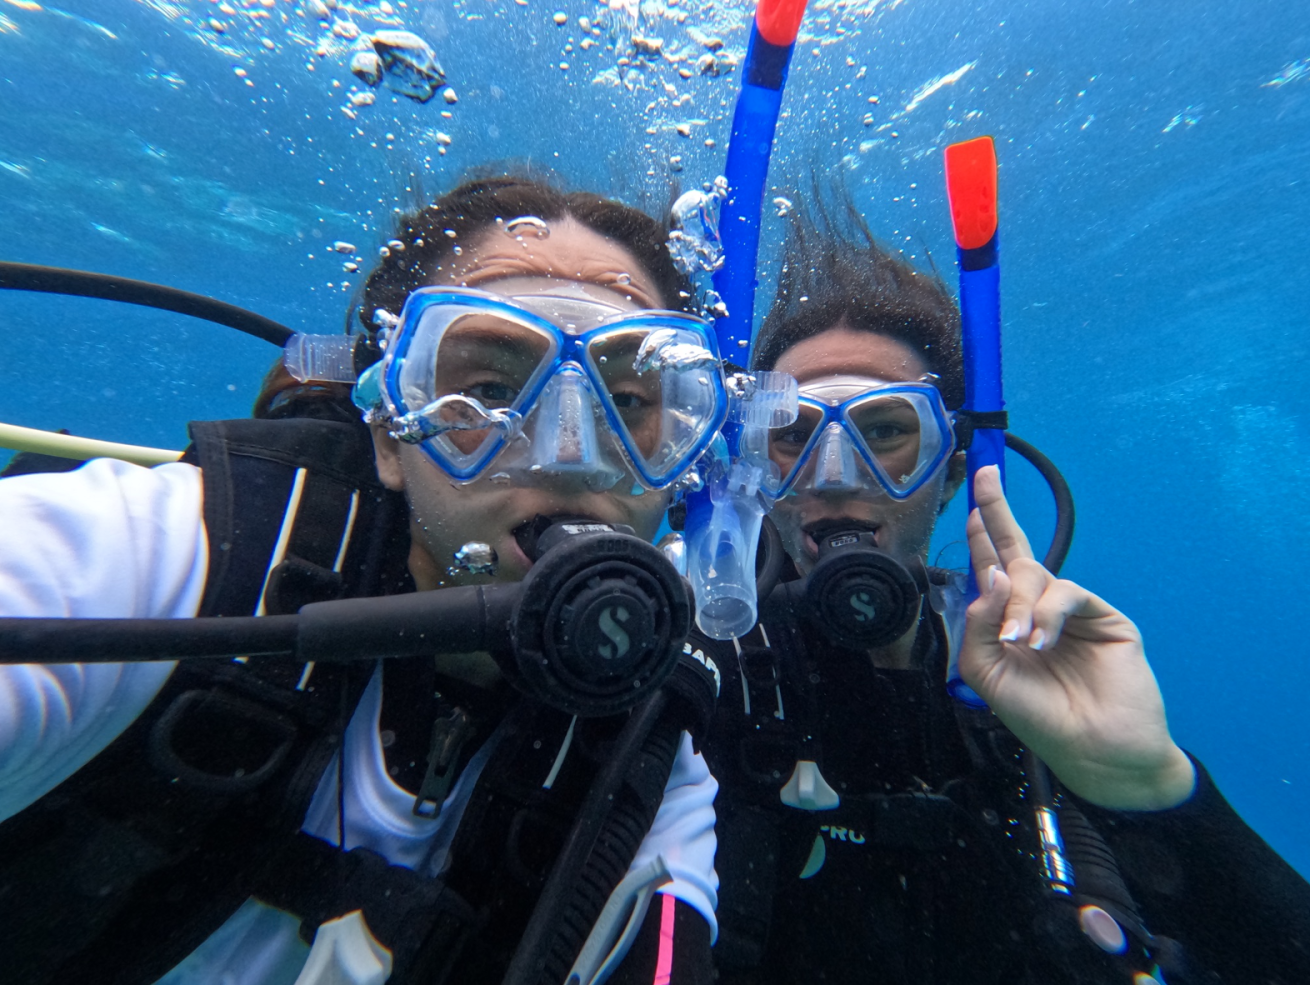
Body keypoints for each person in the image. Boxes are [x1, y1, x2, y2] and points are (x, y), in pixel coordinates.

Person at [0, 176, 722, 985]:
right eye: (488, 390)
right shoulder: (185, 554)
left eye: (626, 400)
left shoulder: (647, 740)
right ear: (387, 430)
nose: (569, 449)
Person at [700, 201, 1310, 985]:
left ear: (952, 470)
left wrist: (1154, 789)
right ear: (753, 470)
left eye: (885, 431)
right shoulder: (704, 679)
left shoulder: (1029, 682)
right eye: (791, 432)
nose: (834, 471)